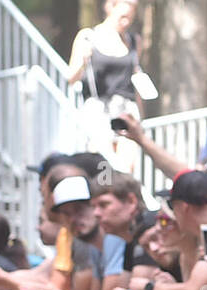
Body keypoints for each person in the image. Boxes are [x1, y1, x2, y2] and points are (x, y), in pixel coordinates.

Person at [66, 0, 146, 168]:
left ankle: (122, 194)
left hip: (126, 109)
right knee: (104, 167)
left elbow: (134, 78)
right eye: (123, 16)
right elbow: (70, 77)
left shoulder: (133, 40)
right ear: (110, 8)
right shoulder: (88, 37)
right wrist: (82, 60)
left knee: (126, 167)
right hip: (99, 110)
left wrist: (141, 117)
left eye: (130, 18)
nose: (126, 22)